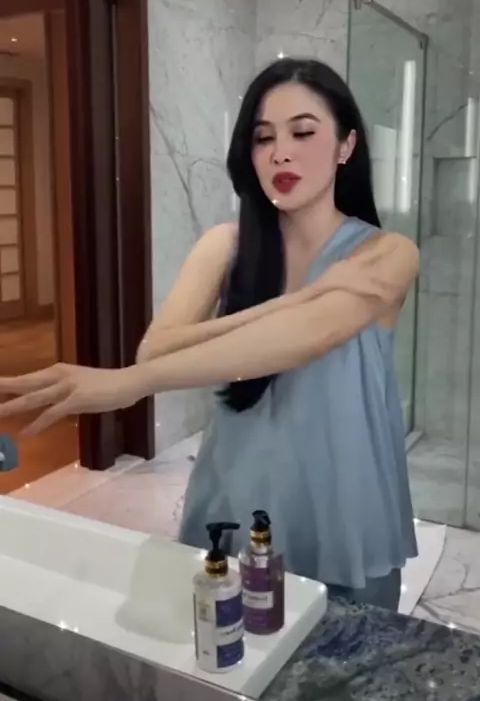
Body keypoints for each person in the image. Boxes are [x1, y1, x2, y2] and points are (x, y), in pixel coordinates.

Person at [0, 58, 419, 611]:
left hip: (340, 499)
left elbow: (308, 335)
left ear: (346, 145)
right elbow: (155, 349)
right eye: (263, 137)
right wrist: (299, 297)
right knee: (222, 643)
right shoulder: (225, 245)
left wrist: (130, 383)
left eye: (302, 132)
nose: (281, 153)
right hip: (235, 487)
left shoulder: (388, 253)